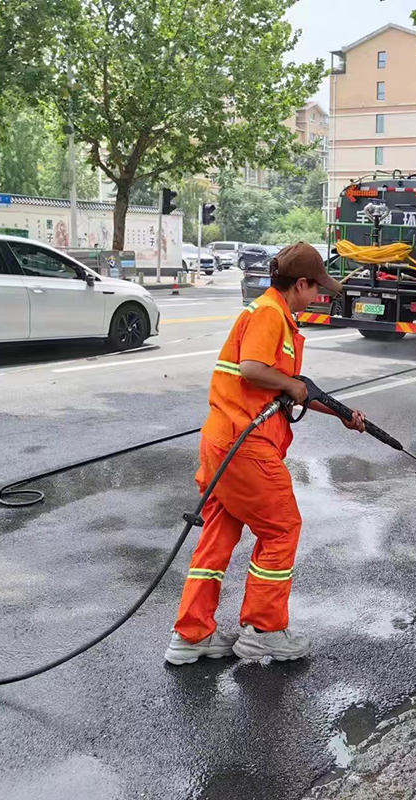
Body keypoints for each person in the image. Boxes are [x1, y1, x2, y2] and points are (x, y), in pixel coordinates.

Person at [165, 243, 365, 665]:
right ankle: (264, 630)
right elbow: (254, 370)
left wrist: (342, 414)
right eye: (317, 289)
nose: (319, 297)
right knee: (281, 528)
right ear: (301, 284)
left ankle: (191, 634)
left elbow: (289, 386)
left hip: (223, 441)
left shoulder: (276, 316)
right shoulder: (271, 313)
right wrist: (293, 387)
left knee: (217, 538)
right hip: (246, 445)